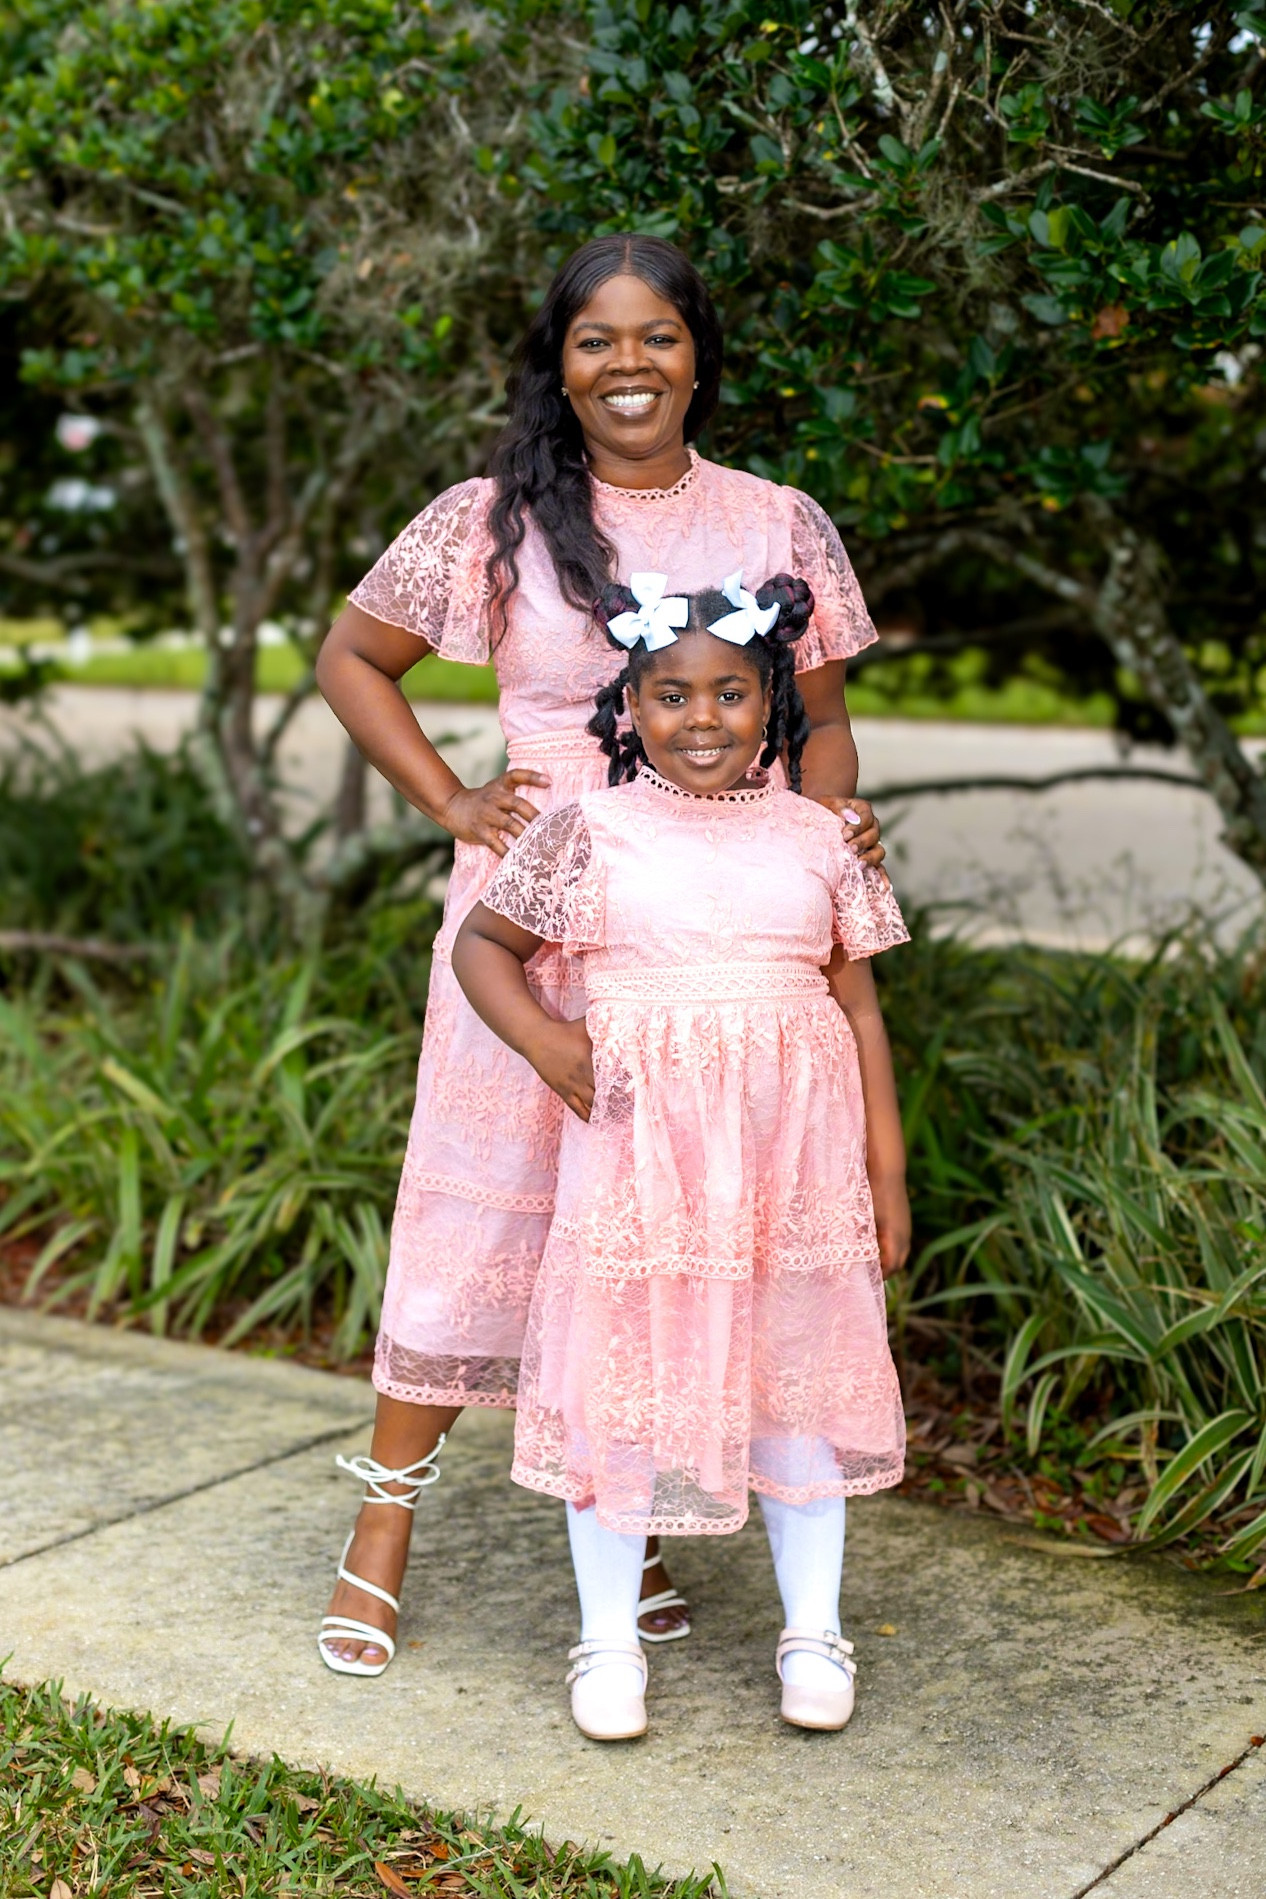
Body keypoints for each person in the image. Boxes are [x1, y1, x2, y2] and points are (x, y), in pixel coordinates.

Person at [315, 233, 887, 1677]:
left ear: (699, 354)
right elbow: (348, 657)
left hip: (709, 931)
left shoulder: (776, 519)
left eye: (657, 336)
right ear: (558, 364)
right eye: (595, 340)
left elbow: (820, 721)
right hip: (534, 920)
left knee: (659, 1230)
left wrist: (823, 835)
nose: (628, 364)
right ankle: (382, 1525)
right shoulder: (493, 519)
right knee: (484, 1212)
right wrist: (452, 802)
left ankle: (632, 1527)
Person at [452, 573, 910, 1739]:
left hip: (791, 1173)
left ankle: (815, 1630)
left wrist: (886, 1173)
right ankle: (608, 1642)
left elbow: (858, 1011)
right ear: (631, 707)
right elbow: (482, 947)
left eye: (731, 694)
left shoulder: (822, 836)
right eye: (671, 696)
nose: (702, 719)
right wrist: (546, 1040)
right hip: (643, 1170)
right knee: (621, 1386)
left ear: (771, 705)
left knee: (800, 1379)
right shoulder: (587, 830)